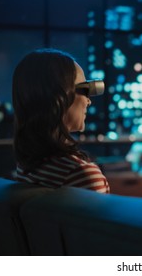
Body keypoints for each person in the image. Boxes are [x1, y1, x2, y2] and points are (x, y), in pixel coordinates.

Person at [12, 48, 110, 194]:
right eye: (84, 90)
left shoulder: (27, 168)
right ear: (59, 99)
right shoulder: (83, 175)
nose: (88, 101)